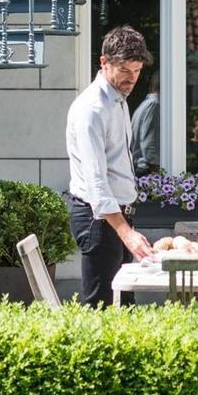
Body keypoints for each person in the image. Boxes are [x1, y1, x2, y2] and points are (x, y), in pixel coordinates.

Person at [66, 26, 155, 307]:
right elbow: (97, 183)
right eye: (125, 71)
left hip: (117, 217)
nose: (132, 79)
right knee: (100, 308)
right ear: (104, 62)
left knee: (124, 303)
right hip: (98, 219)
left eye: (137, 71)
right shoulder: (92, 109)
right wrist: (126, 232)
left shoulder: (118, 100)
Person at [131, 72, 160, 176]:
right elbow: (149, 143)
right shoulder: (155, 105)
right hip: (147, 171)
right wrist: (156, 171)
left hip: (141, 168)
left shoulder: (145, 104)